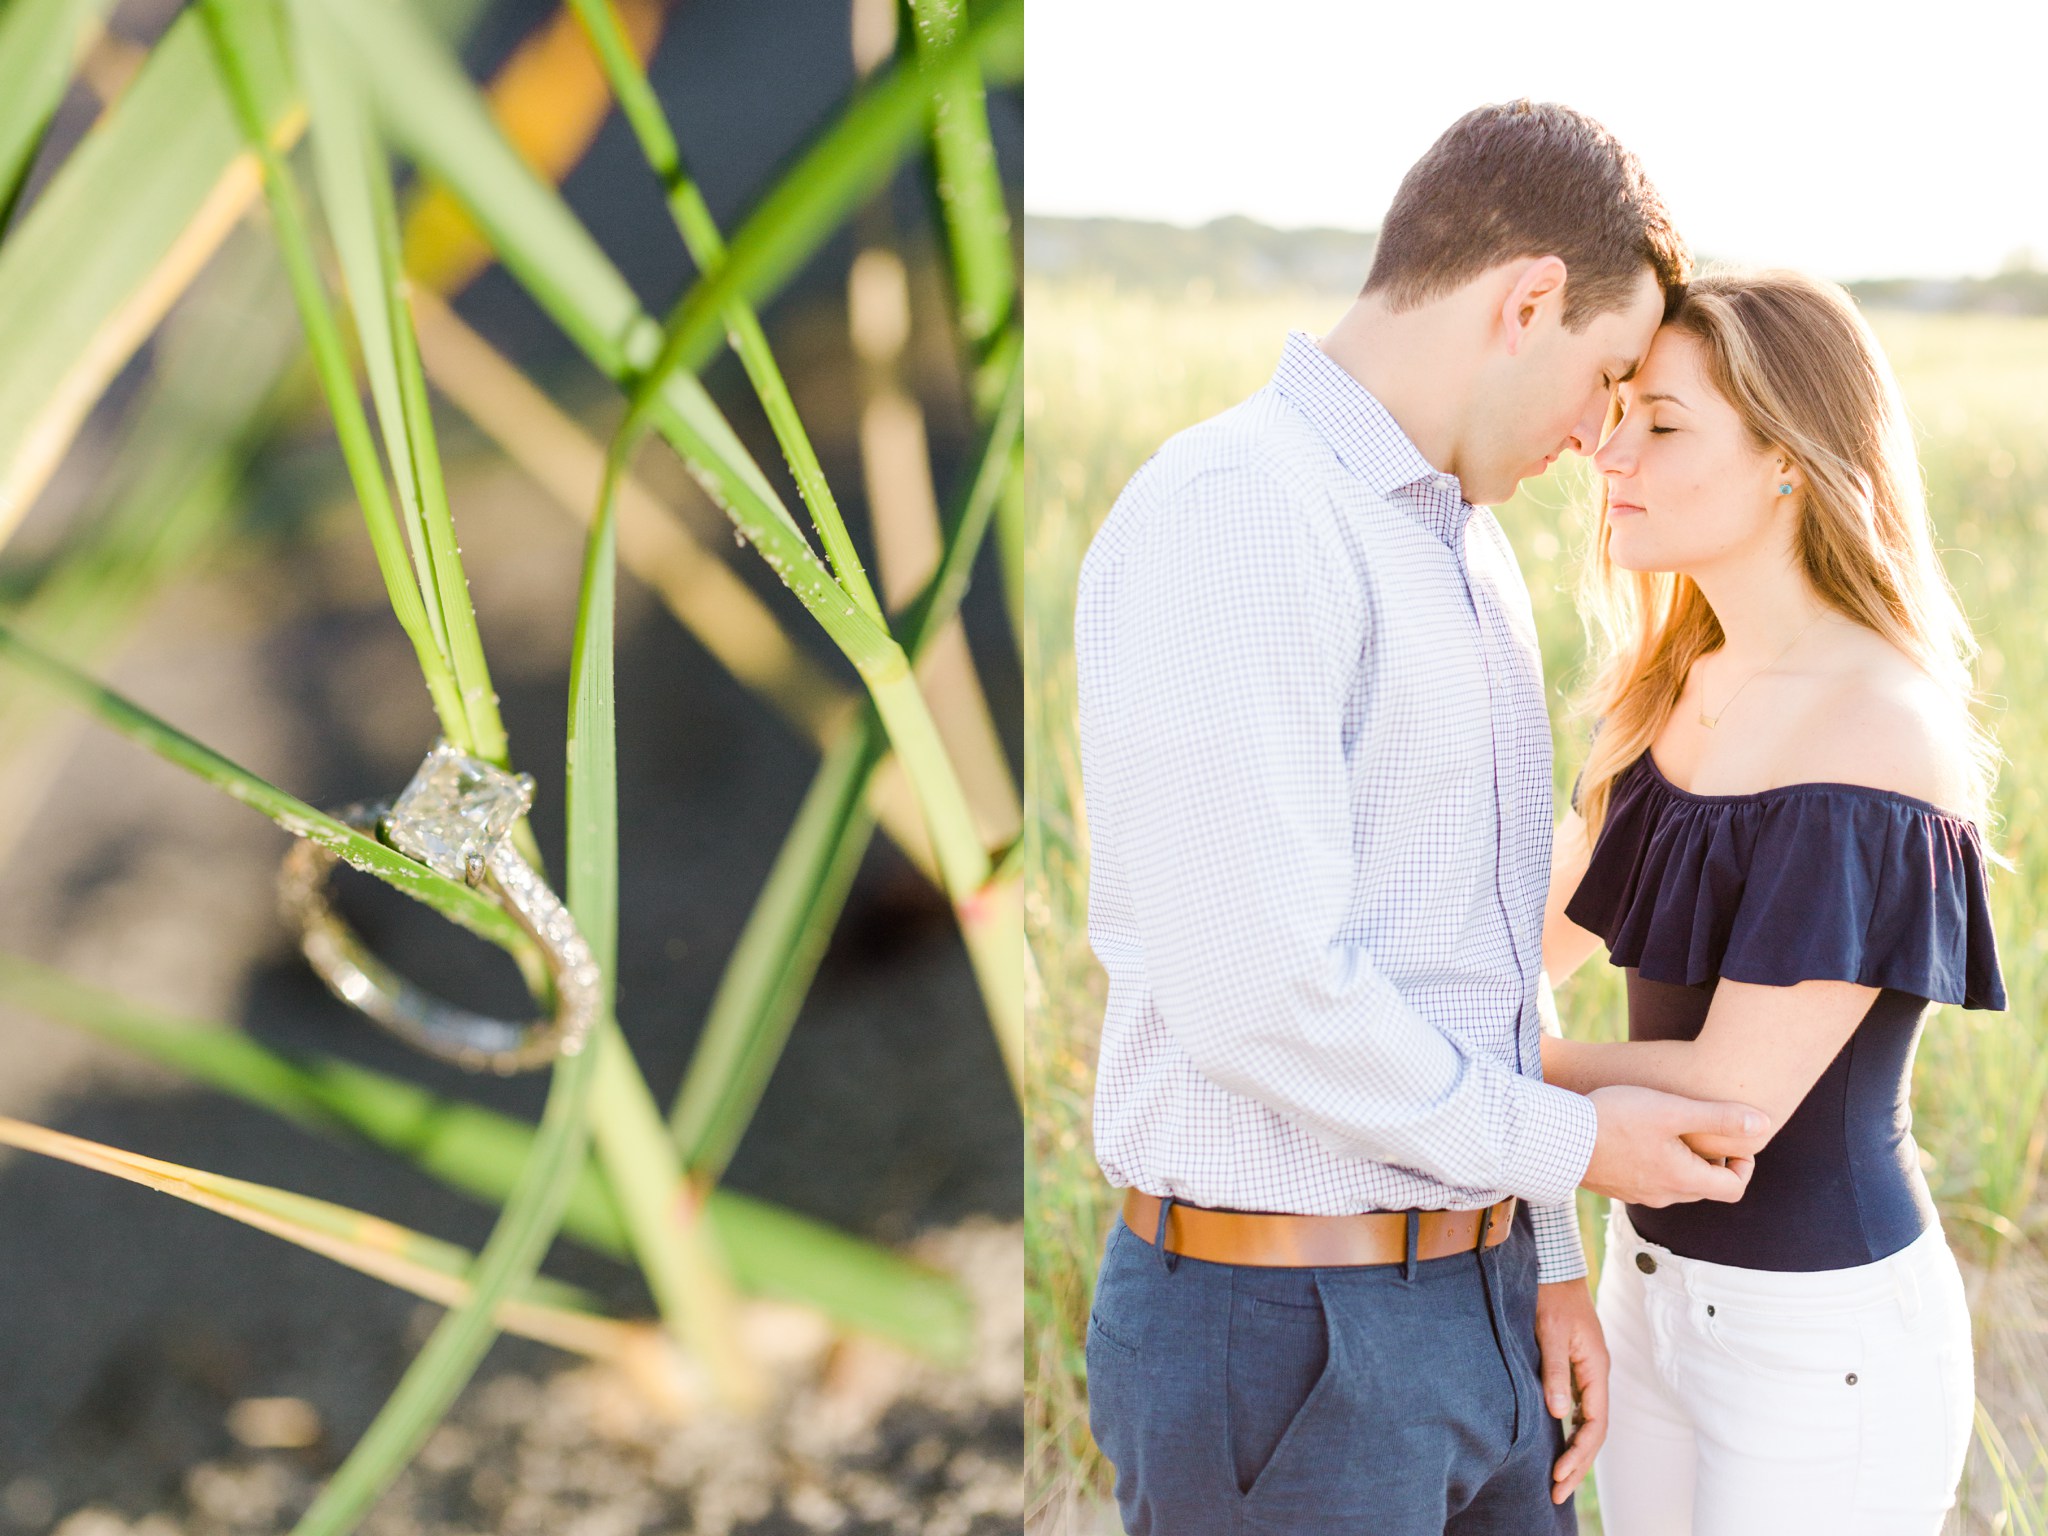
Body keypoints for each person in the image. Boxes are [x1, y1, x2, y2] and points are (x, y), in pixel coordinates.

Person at [1075, 100, 1771, 1536]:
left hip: (1479, 1306)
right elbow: (1257, 994)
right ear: (1525, 301)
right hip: (1278, 1330)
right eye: (1607, 375)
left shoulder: (1467, 554)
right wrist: (1577, 1149)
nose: (1599, 437)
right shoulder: (1241, 511)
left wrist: (1549, 1257)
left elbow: (1483, 967)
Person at [1541, 269, 2004, 1535]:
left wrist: (1483, 1075)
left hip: (1819, 1342)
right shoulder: (1673, 685)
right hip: (1646, 1299)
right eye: (1618, 412)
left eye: (1664, 424)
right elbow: (1517, 943)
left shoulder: (1875, 728)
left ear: (1786, 460)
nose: (1609, 452)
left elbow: (1721, 1102)